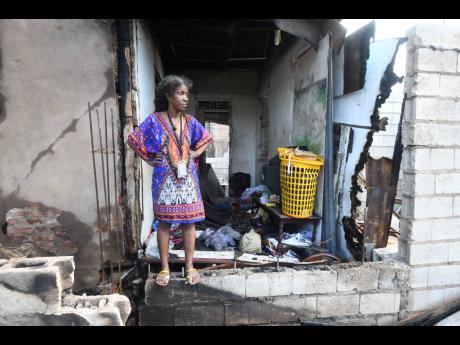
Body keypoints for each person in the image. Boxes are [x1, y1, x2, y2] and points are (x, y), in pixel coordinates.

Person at [127, 75, 212, 286]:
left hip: (187, 179)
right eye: (180, 94)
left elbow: (207, 138)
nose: (185, 99)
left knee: (189, 223)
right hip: (163, 178)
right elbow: (133, 139)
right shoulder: (155, 120)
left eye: (187, 95)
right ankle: (164, 267)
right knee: (164, 223)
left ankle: (189, 266)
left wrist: (194, 153)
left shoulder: (190, 122)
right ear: (168, 96)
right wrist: (149, 157)